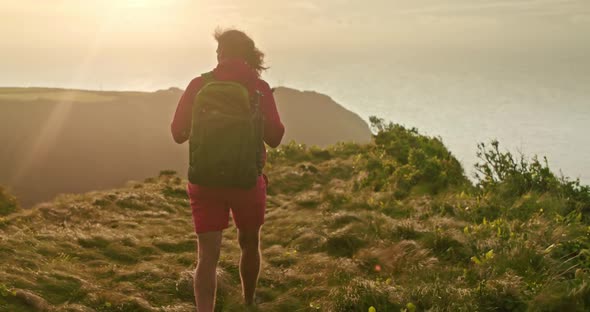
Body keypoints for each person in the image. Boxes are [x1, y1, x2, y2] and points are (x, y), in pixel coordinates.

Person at [170, 28, 285, 311]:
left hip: (205, 180)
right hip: (247, 180)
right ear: (248, 56)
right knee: (249, 243)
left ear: (220, 54)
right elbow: (276, 137)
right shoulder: (258, 88)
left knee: (207, 257)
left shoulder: (199, 85)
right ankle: (248, 302)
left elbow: (177, 133)